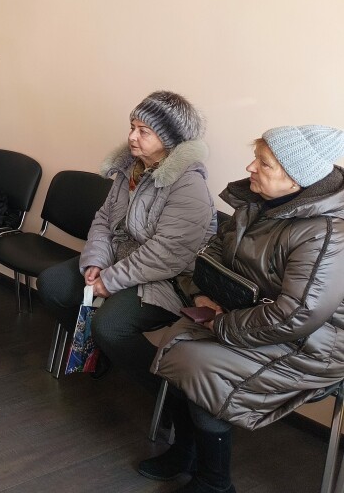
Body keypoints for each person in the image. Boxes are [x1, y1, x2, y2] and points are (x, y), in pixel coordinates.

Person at [145, 126, 344, 493]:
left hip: (312, 345)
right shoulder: (258, 204)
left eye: (264, 164)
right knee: (179, 341)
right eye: (256, 158)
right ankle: (185, 453)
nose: (251, 167)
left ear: (296, 178)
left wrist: (223, 325)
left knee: (201, 367)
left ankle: (215, 483)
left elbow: (299, 315)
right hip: (252, 318)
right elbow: (214, 253)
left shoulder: (326, 233)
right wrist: (201, 295)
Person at [37, 90, 216, 392]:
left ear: (168, 138)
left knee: (109, 325)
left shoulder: (189, 185)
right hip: (121, 259)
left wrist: (109, 281)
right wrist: (96, 261)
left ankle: (170, 393)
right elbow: (104, 219)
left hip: (167, 278)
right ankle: (101, 352)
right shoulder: (130, 168)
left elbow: (166, 254)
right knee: (52, 284)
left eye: (144, 131)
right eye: (132, 127)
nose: (132, 137)